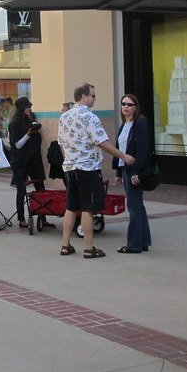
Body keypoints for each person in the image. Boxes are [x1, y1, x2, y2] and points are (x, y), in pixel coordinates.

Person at [57, 83, 134, 259]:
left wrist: (69, 159)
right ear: (84, 97)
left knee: (71, 207)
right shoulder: (89, 117)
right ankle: (88, 247)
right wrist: (123, 156)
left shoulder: (64, 117)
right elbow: (101, 142)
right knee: (87, 208)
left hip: (70, 167)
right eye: (92, 95)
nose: (94, 98)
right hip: (88, 168)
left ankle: (65, 245)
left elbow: (61, 143)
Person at [115, 92, 152, 254]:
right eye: (123, 104)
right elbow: (120, 149)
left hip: (134, 171)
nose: (125, 107)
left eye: (129, 104)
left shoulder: (140, 124)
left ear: (135, 107)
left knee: (134, 207)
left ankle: (134, 244)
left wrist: (138, 172)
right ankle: (143, 241)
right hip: (125, 169)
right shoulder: (124, 125)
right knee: (138, 206)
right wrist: (118, 171)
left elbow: (143, 150)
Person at [9, 97, 50, 230]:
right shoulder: (14, 123)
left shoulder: (29, 120)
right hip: (20, 160)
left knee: (40, 188)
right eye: (27, 107)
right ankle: (21, 218)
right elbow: (17, 145)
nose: (29, 108)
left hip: (34, 159)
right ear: (21, 108)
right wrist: (28, 134)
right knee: (21, 189)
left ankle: (43, 217)